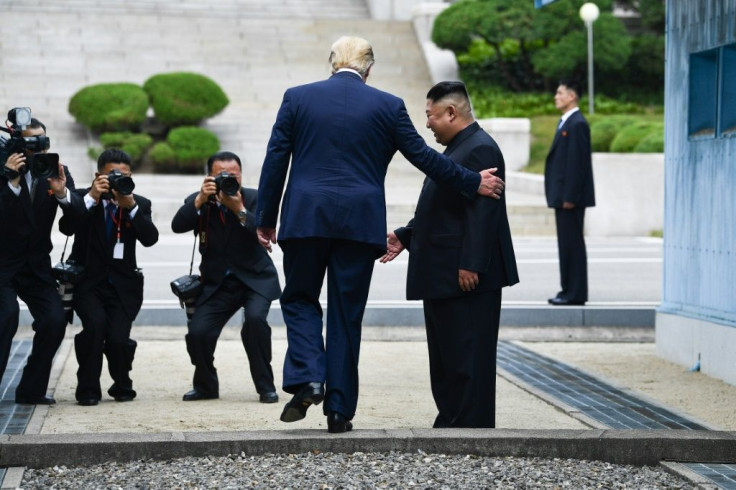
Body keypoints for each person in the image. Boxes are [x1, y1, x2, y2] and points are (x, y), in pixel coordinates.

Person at [256, 36, 505, 433]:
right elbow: (424, 157)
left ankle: (307, 375)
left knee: (300, 298)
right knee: (346, 314)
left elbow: (275, 159)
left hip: (306, 218)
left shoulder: (297, 98)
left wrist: (265, 218)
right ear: (369, 70)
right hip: (359, 225)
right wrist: (471, 181)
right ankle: (338, 410)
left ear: (332, 63)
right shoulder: (387, 105)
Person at [381, 81, 519, 428]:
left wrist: (470, 263)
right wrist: (405, 235)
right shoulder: (460, 147)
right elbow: (443, 206)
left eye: (430, 115)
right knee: (448, 354)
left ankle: (469, 427)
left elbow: (483, 213)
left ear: (451, 113)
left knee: (467, 355)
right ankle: (452, 420)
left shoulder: (480, 149)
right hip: (445, 272)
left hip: (465, 275)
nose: (427, 123)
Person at [171, 151, 281, 404]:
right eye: (220, 175)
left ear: (241, 175)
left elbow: (263, 231)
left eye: (233, 175)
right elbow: (178, 225)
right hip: (218, 283)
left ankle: (266, 387)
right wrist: (200, 199)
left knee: (255, 323)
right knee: (198, 333)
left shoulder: (254, 198)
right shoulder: (201, 200)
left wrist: (239, 209)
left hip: (255, 279)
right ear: (209, 176)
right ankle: (206, 385)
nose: (227, 179)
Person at [58, 149, 159, 406]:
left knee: (117, 338)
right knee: (94, 327)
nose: (116, 180)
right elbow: (66, 227)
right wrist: (92, 197)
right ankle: (88, 388)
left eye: (122, 175)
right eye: (111, 175)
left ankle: (122, 383)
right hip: (87, 283)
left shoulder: (139, 203)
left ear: (131, 176)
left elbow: (150, 239)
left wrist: (132, 207)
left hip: (124, 286)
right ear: (97, 175)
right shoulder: (82, 198)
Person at [0, 116, 85, 404]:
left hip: (36, 266)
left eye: (43, 144)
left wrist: (62, 193)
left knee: (54, 320)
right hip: (2, 265)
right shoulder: (3, 171)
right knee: (6, 317)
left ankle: (31, 390)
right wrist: (10, 181)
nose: (37, 152)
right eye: (30, 145)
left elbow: (75, 225)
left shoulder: (56, 171)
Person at [545, 79, 596, 306]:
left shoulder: (577, 124)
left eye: (560, 93)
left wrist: (570, 197)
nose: (556, 97)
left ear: (572, 96)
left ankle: (574, 293)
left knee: (572, 245)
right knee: (566, 245)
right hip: (563, 197)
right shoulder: (566, 122)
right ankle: (568, 290)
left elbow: (577, 163)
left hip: (569, 199)